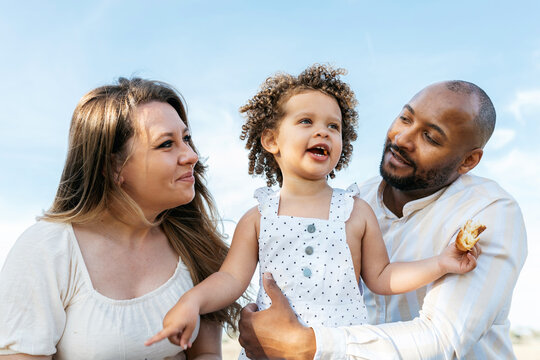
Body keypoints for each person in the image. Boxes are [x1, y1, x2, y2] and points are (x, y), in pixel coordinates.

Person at [145, 65, 480, 357]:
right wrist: (193, 301)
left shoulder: (355, 211)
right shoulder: (259, 217)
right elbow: (230, 279)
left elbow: (382, 277)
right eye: (306, 121)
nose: (323, 131)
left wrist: (441, 263)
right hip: (270, 353)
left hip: (333, 350)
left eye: (333, 127)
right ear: (271, 140)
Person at [237, 80, 528, 359]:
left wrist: (304, 345)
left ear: (468, 162)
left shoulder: (489, 211)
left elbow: (442, 338)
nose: (402, 139)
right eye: (405, 119)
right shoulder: (351, 203)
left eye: (430, 137)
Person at [0, 78, 240, 359]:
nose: (191, 155)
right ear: (113, 167)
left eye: (186, 139)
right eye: (166, 144)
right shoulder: (47, 249)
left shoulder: (194, 245)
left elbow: (206, 354)